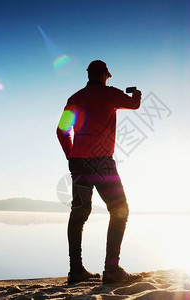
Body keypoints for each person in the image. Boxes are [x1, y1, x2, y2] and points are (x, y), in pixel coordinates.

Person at [56, 60, 143, 285]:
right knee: (119, 209)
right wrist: (137, 95)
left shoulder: (74, 99)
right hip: (101, 163)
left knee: (79, 214)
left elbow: (61, 130)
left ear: (88, 75)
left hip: (78, 163)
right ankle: (111, 270)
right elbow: (133, 105)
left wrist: (71, 154)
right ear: (105, 75)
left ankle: (76, 271)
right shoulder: (110, 94)